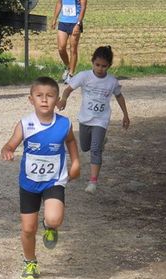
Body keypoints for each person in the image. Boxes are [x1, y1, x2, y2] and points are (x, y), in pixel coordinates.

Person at [0, 76, 80, 279]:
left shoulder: (64, 124)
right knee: (28, 229)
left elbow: (71, 142)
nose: (44, 100)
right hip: (29, 183)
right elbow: (10, 144)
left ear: (57, 100)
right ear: (31, 99)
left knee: (54, 218)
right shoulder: (25, 124)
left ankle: (50, 226)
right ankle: (30, 262)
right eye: (39, 96)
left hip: (54, 180)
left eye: (50, 96)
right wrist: (7, 150)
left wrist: (76, 163)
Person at [57, 46, 130, 194]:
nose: (100, 68)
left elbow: (119, 96)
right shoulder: (84, 76)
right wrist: (64, 99)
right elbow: (68, 89)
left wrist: (125, 115)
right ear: (92, 62)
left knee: (95, 150)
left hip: (101, 121)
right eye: (97, 65)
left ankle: (93, 182)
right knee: (85, 147)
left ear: (109, 66)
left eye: (104, 66)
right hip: (85, 119)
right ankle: (100, 141)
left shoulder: (112, 81)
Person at [51, 0, 88, 84]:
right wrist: (54, 18)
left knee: (73, 49)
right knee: (61, 48)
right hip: (63, 22)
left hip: (75, 23)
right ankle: (68, 67)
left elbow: (83, 7)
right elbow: (59, 3)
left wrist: (78, 24)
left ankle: (71, 74)